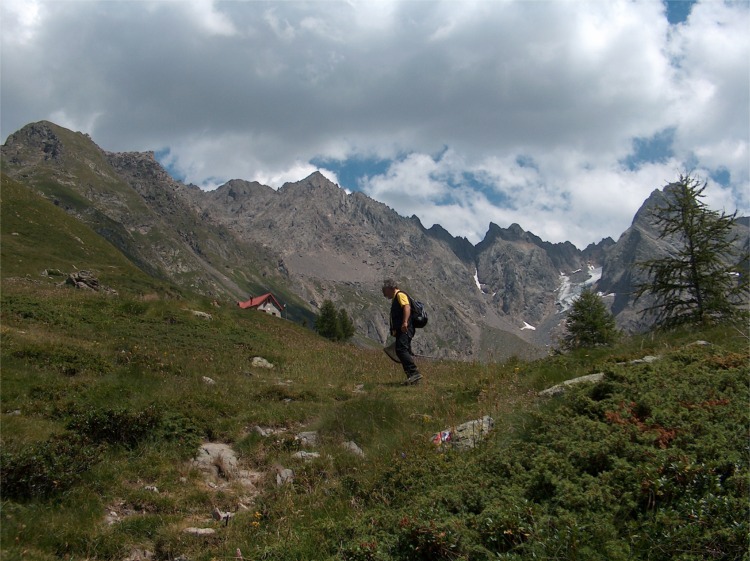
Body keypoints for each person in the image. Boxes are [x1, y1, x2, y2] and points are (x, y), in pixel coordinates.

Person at [381, 279, 422, 385]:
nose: (383, 293)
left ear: (391, 288)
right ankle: (413, 379)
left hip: (405, 328)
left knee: (401, 350)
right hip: (402, 329)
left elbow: (407, 307)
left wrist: (405, 323)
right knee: (402, 350)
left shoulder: (400, 295)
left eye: (384, 290)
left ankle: (414, 373)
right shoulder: (395, 298)